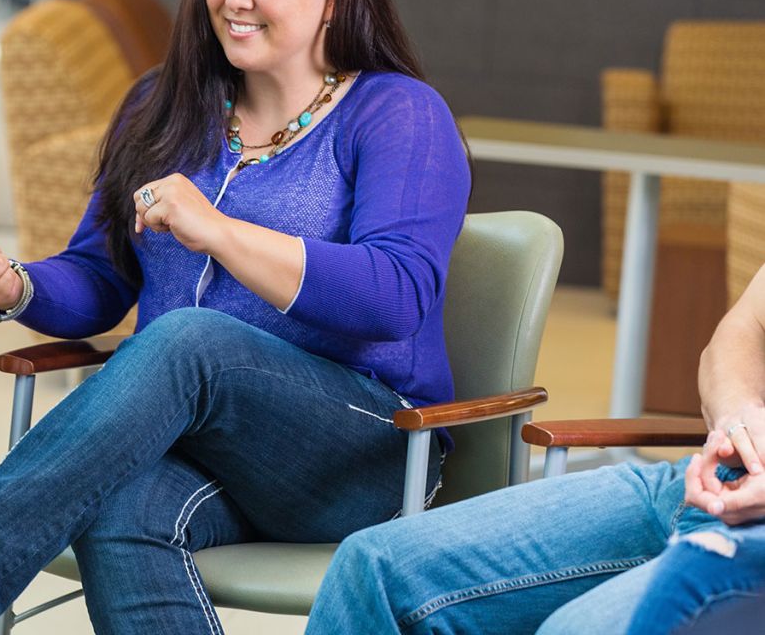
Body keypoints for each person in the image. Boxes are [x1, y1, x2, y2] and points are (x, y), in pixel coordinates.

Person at [0, 0, 471, 634]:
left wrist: (218, 229)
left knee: (188, 342)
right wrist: (17, 284)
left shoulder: (397, 113)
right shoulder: (163, 104)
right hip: (201, 450)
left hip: (366, 450)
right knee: (119, 505)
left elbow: (395, 296)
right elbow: (98, 278)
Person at [304, 261, 765, 635]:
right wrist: (738, 415)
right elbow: (743, 328)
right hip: (699, 485)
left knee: (573, 629)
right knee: (373, 569)